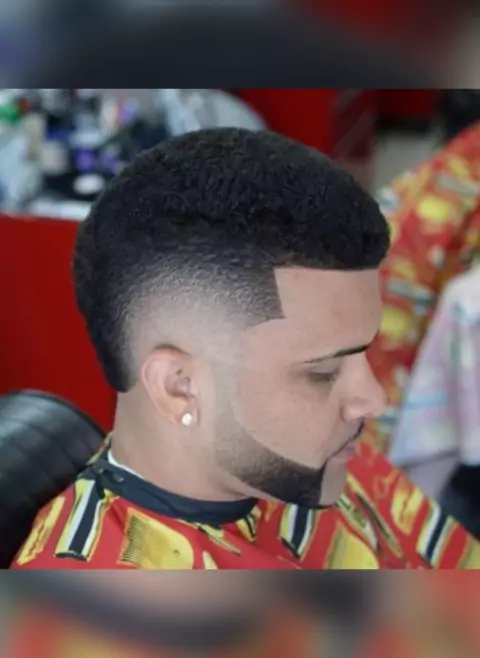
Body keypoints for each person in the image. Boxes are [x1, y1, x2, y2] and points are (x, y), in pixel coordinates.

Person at [11, 128, 480, 569]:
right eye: (322, 372)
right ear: (180, 387)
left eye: (362, 353)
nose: (374, 399)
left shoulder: (316, 458)